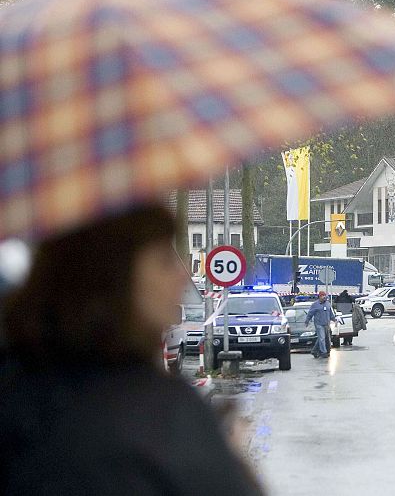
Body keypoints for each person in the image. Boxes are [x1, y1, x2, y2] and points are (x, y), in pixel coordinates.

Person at [0, 206, 264, 495]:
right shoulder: (161, 411)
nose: (183, 275)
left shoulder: (16, 388)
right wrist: (228, 459)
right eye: (165, 260)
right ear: (113, 274)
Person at [305, 291, 336, 359]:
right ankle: (324, 352)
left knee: (322, 338)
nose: (324, 297)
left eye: (324, 295)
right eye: (322, 295)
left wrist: (334, 319)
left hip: (326, 324)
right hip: (319, 324)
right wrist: (307, 321)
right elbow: (310, 313)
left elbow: (330, 313)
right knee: (322, 338)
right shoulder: (315, 305)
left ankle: (314, 350)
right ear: (319, 297)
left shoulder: (328, 304)